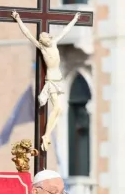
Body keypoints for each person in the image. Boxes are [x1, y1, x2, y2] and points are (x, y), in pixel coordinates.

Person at [11, 10, 80, 150]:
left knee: (59, 110)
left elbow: (65, 31)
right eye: (44, 38)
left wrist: (74, 19)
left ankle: (47, 135)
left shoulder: (54, 43)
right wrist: (18, 20)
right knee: (58, 108)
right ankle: (46, 135)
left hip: (58, 78)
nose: (46, 39)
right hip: (51, 80)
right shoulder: (42, 48)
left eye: (47, 37)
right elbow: (28, 35)